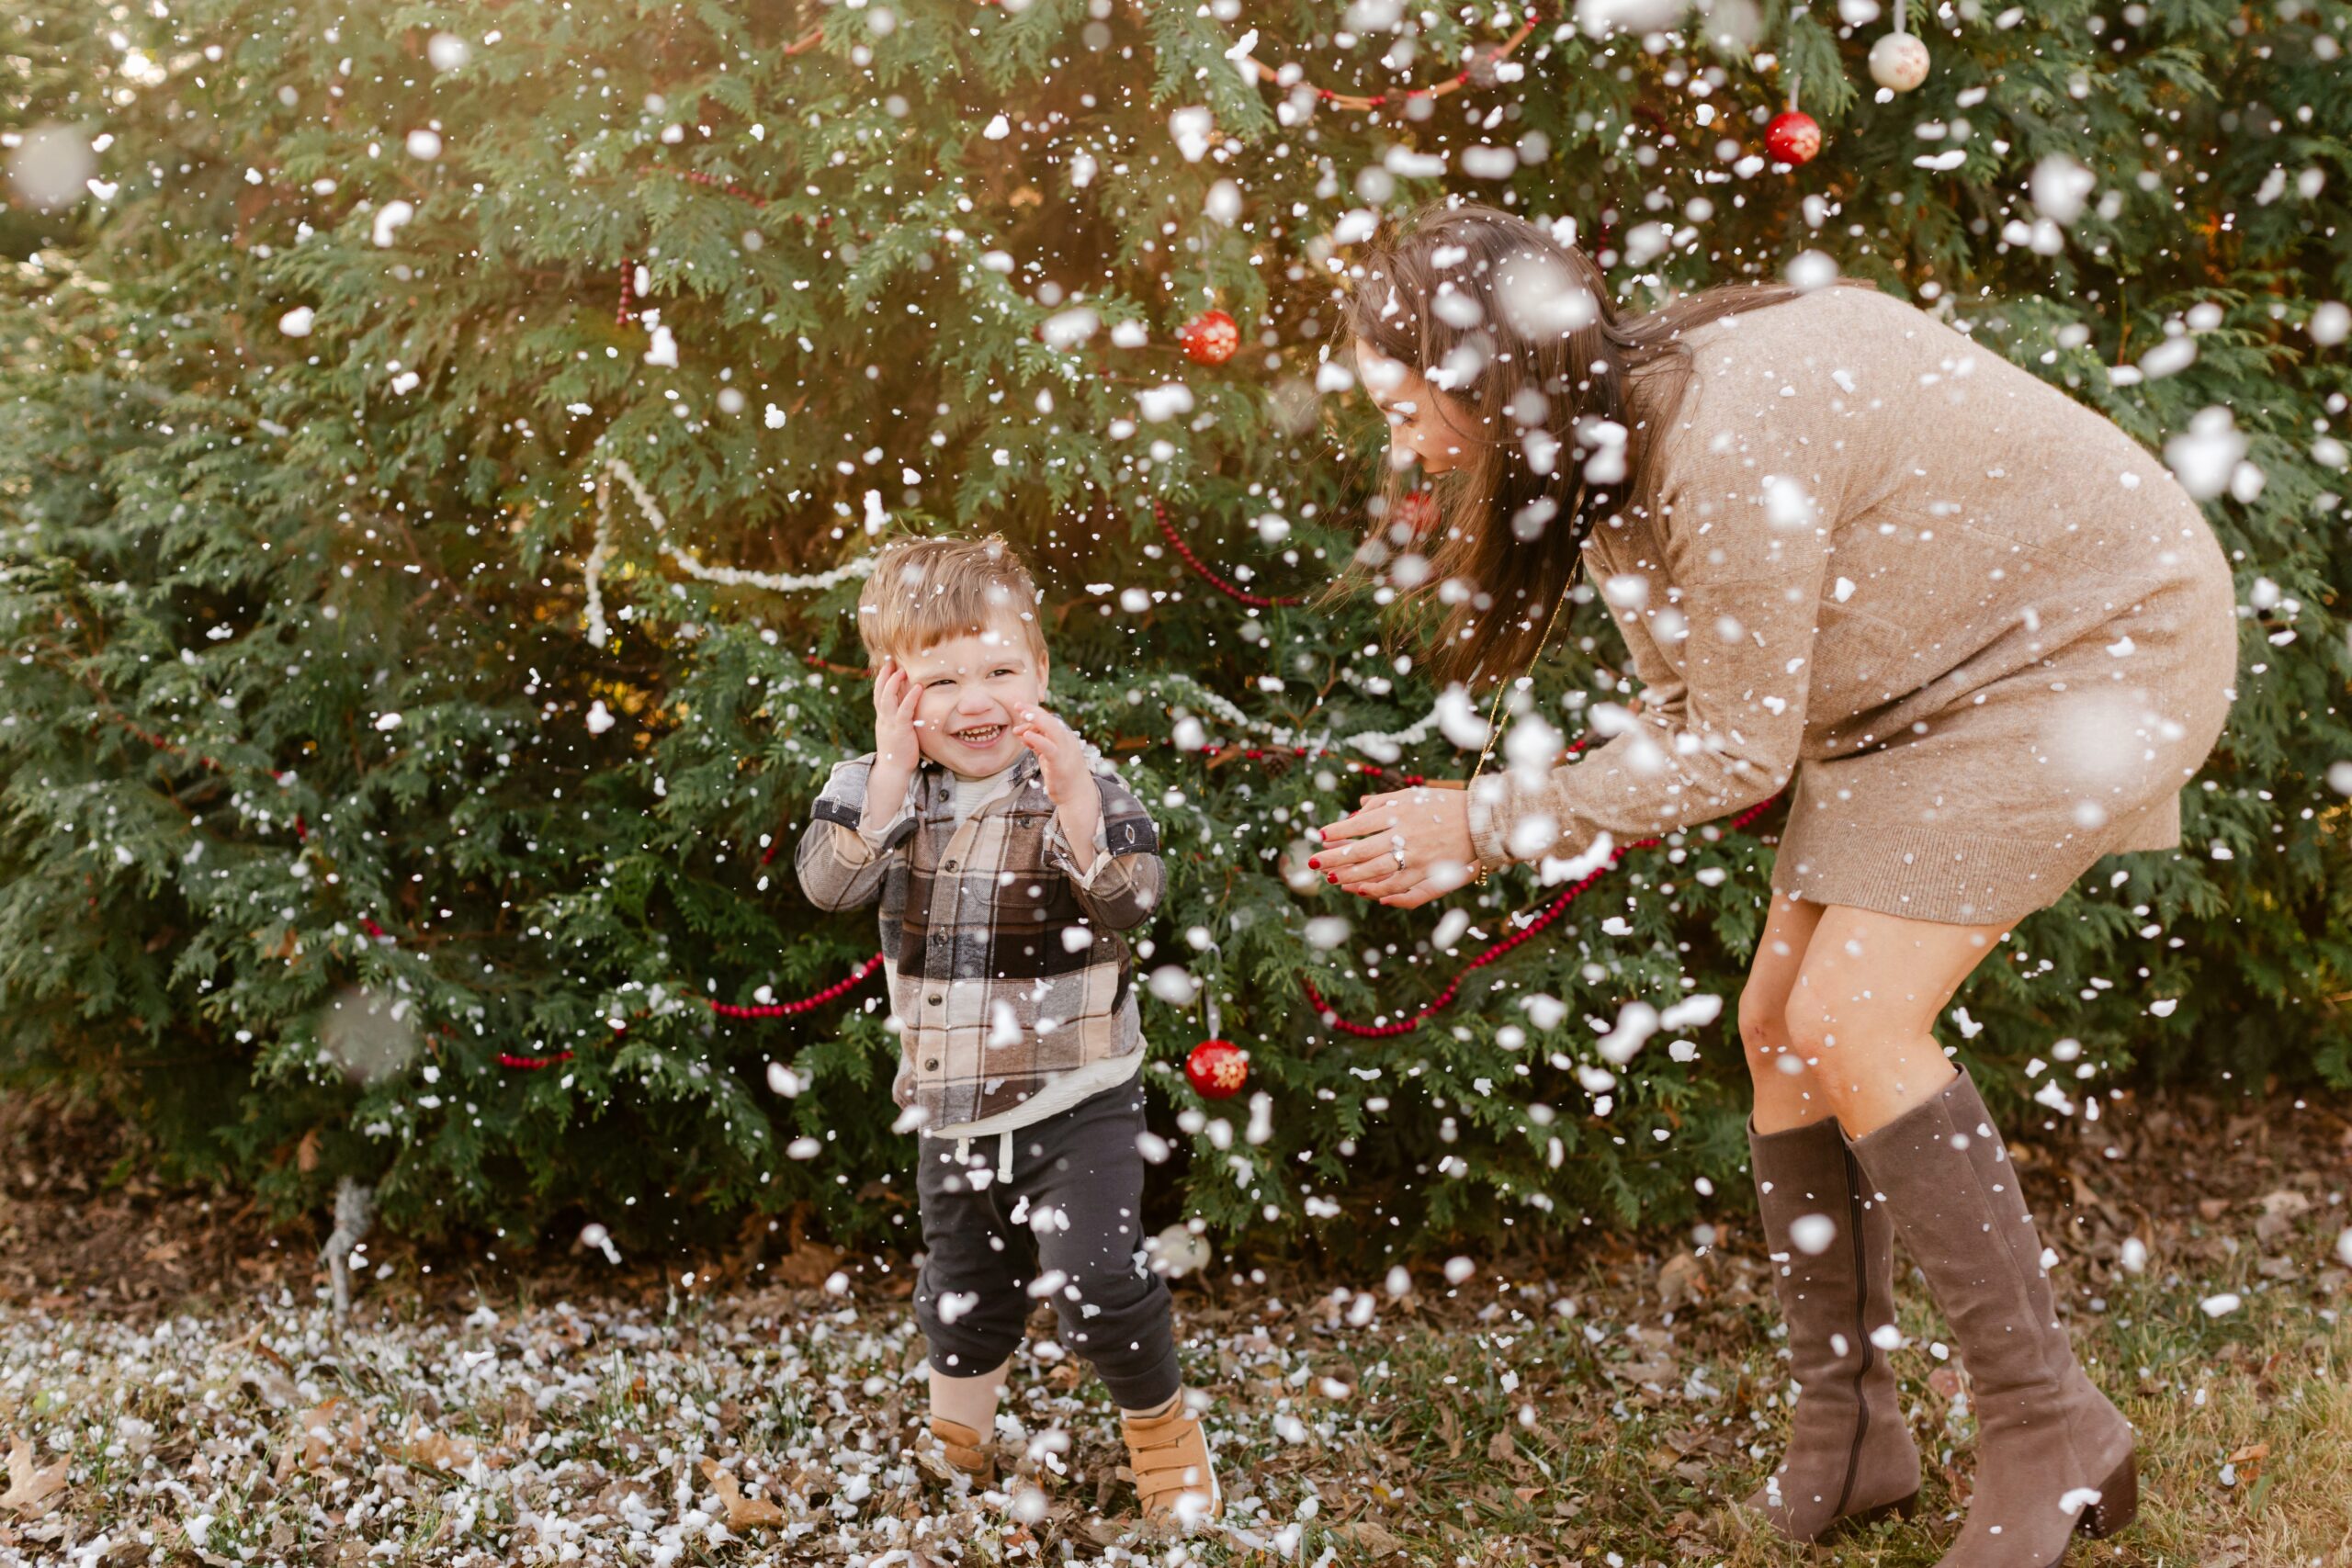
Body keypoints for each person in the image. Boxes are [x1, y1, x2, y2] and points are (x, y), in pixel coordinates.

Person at [1310, 204, 2234, 1567]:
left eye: (1406, 407)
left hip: (2087, 652)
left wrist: (1490, 820)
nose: (1400, 441)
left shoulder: (1721, 433)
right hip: (1922, 685)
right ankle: (1851, 1428)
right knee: (1779, 1026)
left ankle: (2054, 1428)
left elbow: (1736, 746)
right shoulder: (1612, 435)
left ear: (1480, 374)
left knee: (1855, 1021)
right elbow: (1705, 697)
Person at [793, 536, 1221, 1529]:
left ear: (1039, 672)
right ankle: (958, 1443)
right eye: (941, 679)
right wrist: (892, 774)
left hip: (1080, 1095)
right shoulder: (875, 787)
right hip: (950, 1108)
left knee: (1098, 1281)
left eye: (998, 670)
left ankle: (1161, 1433)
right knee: (963, 1288)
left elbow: (1134, 899)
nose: (975, 700)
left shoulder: (1081, 784)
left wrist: (1075, 804)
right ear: (894, 688)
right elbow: (828, 884)